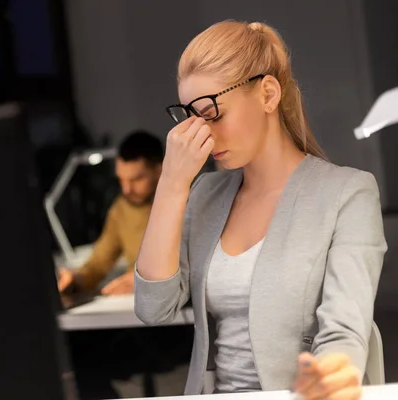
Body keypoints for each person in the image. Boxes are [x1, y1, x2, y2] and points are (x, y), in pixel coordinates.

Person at [134, 20, 386, 399]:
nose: (202, 133)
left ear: (268, 94)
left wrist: (332, 375)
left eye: (212, 113)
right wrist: (172, 184)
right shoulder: (205, 194)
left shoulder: (348, 193)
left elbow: (344, 333)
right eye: (189, 117)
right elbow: (154, 308)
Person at [58, 130, 163, 295]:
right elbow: (100, 262)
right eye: (121, 179)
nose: (126, 189)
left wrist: (147, 279)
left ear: (159, 170)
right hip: (137, 305)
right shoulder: (121, 209)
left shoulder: (190, 201)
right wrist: (76, 279)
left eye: (136, 179)